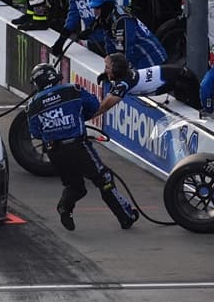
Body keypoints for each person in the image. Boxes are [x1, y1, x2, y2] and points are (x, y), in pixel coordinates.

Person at [25, 63, 139, 231]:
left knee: (75, 187)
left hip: (54, 152)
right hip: (78, 147)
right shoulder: (74, 90)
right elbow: (94, 107)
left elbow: (35, 133)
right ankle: (126, 216)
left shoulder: (32, 105)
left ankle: (65, 207)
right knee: (104, 179)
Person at [94, 53, 201, 117]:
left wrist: (85, 118)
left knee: (195, 112)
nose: (105, 70)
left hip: (185, 80)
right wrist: (107, 75)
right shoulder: (125, 75)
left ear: (116, 70)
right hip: (180, 76)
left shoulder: (124, 84)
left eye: (107, 68)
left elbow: (104, 107)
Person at [84, 0, 167, 69]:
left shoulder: (122, 20)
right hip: (137, 57)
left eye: (97, 8)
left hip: (151, 56)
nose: (95, 12)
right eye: (94, 8)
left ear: (106, 6)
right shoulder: (106, 19)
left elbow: (125, 52)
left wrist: (115, 69)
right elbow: (110, 47)